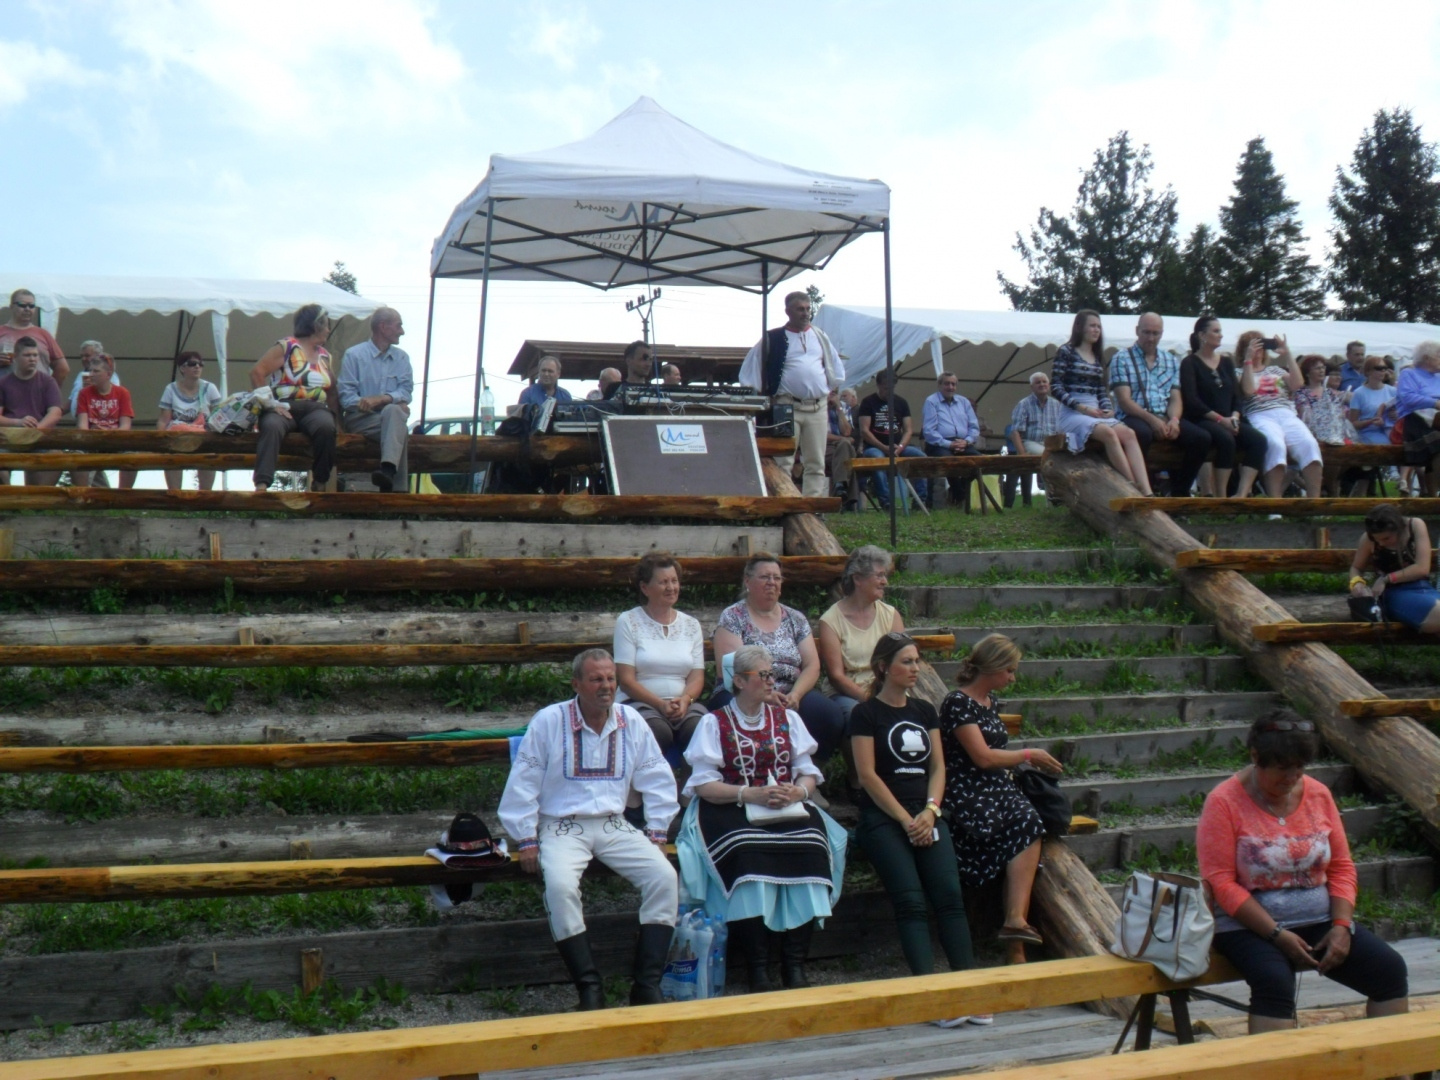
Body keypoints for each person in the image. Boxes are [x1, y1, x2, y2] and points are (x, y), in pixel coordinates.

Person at [1197, 710, 1409, 1035]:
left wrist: (1341, 926)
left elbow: (1341, 867)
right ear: (1256, 757)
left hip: (1319, 920)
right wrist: (1276, 934)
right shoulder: (1223, 802)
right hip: (1247, 926)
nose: (1292, 777)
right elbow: (1221, 882)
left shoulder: (1318, 794)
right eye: (1282, 768)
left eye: (1299, 768)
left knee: (1389, 970)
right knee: (1274, 981)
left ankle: (1392, 1060)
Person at [498, 648, 679, 1010]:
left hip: (614, 823)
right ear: (576, 684)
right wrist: (527, 838)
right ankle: (589, 989)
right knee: (561, 887)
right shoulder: (549, 720)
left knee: (664, 878)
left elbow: (656, 776)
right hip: (560, 826)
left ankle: (646, 986)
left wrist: (657, 831)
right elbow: (524, 781)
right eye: (596, 679)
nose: (606, 686)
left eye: (611, 678)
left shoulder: (631, 719)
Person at [678, 644, 846, 992]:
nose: (772, 681)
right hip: (729, 805)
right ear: (739, 681)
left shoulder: (788, 719)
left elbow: (807, 772)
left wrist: (798, 792)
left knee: (812, 846)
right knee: (746, 851)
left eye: (773, 674)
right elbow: (704, 785)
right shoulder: (714, 722)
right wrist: (748, 793)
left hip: (785, 805)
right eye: (763, 675)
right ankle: (758, 969)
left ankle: (794, 965)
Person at [852, 633, 981, 1024]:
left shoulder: (925, 711)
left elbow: (938, 767)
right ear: (883, 667)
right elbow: (867, 775)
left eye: (917, 660)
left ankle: (969, 993)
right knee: (910, 902)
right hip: (884, 817)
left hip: (925, 814)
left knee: (950, 897)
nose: (915, 668)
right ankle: (929, 999)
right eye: (906, 661)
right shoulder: (866, 714)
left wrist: (930, 811)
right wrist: (906, 820)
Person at [939, 634, 1063, 945]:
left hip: (994, 783)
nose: (1012, 678)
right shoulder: (957, 703)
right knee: (998, 826)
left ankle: (1015, 920)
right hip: (966, 785)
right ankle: (1009, 925)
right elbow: (982, 757)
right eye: (1009, 670)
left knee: (1030, 821)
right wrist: (1028, 755)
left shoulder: (990, 702)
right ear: (992, 667)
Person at [711, 553, 846, 767]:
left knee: (829, 715)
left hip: (791, 690)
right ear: (748, 581)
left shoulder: (795, 618)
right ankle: (747, 772)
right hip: (743, 689)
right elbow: (733, 667)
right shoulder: (733, 616)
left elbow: (812, 665)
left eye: (776, 577)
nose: (772, 582)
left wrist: (796, 694)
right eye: (765, 577)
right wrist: (767, 694)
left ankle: (807, 771)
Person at [739, 291, 845, 499]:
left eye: (807, 308)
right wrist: (762, 395)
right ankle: (784, 502)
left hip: (818, 406)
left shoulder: (820, 336)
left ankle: (813, 508)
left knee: (816, 461)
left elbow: (833, 365)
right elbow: (752, 367)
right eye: (800, 309)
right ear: (788, 311)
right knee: (784, 460)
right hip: (787, 406)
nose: (805, 313)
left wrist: (831, 388)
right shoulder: (772, 338)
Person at [613, 552, 708, 761]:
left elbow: (696, 677)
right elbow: (626, 681)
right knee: (657, 730)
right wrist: (660, 704)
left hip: (682, 705)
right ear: (645, 588)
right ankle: (648, 780)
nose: (671, 587)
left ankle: (693, 782)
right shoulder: (628, 621)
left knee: (701, 727)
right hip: (639, 703)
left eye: (674, 581)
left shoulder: (691, 625)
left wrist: (685, 700)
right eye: (663, 582)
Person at [1051, 310, 1153, 495]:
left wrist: (1107, 409)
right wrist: (1082, 408)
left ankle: (1147, 490)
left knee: (1129, 434)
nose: (1096, 330)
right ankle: (1132, 486)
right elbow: (1056, 387)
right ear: (1080, 327)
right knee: (1108, 433)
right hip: (1073, 412)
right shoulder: (1066, 351)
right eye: (1092, 326)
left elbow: (1101, 389)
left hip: (1095, 411)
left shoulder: (1097, 355)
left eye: (1098, 326)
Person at [1110, 313, 1210, 497]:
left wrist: (1174, 420)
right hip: (1134, 415)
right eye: (1146, 332)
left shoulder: (1170, 360)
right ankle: (1141, 489)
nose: (1151, 338)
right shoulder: (1122, 358)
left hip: (1164, 415)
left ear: (1161, 334)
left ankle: (1179, 492)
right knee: (1143, 433)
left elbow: (1175, 398)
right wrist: (1152, 420)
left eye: (1155, 333)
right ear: (1137, 331)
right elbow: (1124, 401)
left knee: (1201, 438)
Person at [249, 303, 337, 493]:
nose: (328, 330)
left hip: (315, 408)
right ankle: (262, 484)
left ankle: (320, 482)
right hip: (283, 406)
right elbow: (257, 372)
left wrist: (336, 418)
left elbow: (332, 390)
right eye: (326, 325)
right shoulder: (286, 346)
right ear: (315, 325)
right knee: (271, 425)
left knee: (326, 427)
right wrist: (270, 404)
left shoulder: (325, 356)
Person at [1180, 315, 1267, 498]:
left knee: (1259, 440)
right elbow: (1192, 401)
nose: (1220, 335)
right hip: (1203, 418)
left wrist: (1234, 417)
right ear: (1202, 335)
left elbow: (1237, 396)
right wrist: (1221, 420)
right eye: (1216, 331)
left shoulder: (1226, 361)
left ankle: (1241, 494)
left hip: (1230, 418)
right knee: (1226, 440)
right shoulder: (1189, 363)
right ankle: (1221, 496)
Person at [818, 545, 904, 726]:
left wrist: (890, 695)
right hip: (848, 694)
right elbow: (836, 676)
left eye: (885, 575)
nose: (885, 582)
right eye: (879, 575)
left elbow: (902, 660)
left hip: (887, 690)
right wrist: (872, 700)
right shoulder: (830, 621)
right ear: (857, 578)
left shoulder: (891, 615)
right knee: (860, 717)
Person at [1238, 331, 1321, 499]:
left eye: (1260, 344)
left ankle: (1315, 502)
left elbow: (1297, 384)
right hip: (1259, 414)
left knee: (1309, 444)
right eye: (1252, 345)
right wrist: (1248, 360)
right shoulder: (1239, 372)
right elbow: (1248, 390)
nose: (1257, 349)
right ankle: (1275, 503)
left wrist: (1287, 353)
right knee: (1275, 445)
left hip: (1285, 412)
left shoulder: (1275, 369)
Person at [338, 307, 412, 493]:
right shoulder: (354, 355)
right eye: (398, 326)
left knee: (393, 413)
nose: (402, 331)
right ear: (383, 327)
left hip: (390, 418)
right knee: (398, 423)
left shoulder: (402, 358)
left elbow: (406, 391)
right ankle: (397, 490)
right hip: (361, 418)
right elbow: (346, 397)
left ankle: (387, 471)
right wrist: (365, 403)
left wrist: (381, 399)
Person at [1348, 503, 1440, 632]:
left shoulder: (1415, 526)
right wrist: (1357, 582)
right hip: (1392, 592)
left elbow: (1422, 568)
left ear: (1398, 528)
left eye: (1386, 538)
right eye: (1377, 539)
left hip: (1422, 587)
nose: (1381, 543)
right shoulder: (1367, 539)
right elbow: (1356, 567)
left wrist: (1386, 578)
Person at [857, 369, 929, 509]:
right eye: (886, 388)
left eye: (892, 388)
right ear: (878, 385)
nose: (889, 392)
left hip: (897, 447)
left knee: (920, 457)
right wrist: (884, 448)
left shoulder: (901, 402)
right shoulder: (868, 402)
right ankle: (886, 501)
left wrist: (900, 447)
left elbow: (908, 430)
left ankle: (920, 500)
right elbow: (864, 431)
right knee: (878, 459)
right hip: (875, 447)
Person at [0, 338, 63, 485]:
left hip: (39, 437)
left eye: (35, 355)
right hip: (10, 437)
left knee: (58, 457)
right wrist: (18, 422)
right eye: (27, 355)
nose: (33, 359)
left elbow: (55, 412)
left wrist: (37, 430)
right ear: (15, 357)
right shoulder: (3, 383)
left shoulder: (48, 381)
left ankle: (38, 496)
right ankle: (10, 495)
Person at [157, 352, 223, 491]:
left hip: (203, 439)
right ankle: (175, 495)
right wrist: (160, 442)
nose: (197, 367)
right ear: (182, 368)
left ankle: (205, 495)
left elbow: (220, 415)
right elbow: (164, 420)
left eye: (200, 364)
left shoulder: (210, 388)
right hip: (177, 439)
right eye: (193, 364)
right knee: (171, 456)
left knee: (209, 455)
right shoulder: (171, 389)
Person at [73, 353, 136, 489]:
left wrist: (109, 433)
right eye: (90, 371)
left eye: (96, 371)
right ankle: (82, 494)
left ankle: (124, 494)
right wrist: (95, 434)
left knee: (132, 456)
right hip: (91, 440)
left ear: (108, 374)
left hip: (115, 440)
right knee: (76, 455)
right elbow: (82, 426)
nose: (91, 374)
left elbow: (126, 426)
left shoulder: (122, 393)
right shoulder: (84, 393)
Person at [921, 372, 983, 509]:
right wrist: (949, 444)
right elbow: (929, 431)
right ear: (939, 385)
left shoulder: (964, 402)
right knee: (949, 462)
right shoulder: (931, 401)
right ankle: (960, 495)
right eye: (947, 384)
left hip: (963, 442)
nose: (950, 387)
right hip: (939, 444)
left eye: (953, 384)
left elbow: (974, 427)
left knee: (981, 462)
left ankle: (959, 490)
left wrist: (966, 441)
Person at [1395, 340, 1440, 495]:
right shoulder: (1409, 374)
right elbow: (1408, 398)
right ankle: (1434, 496)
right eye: (1439, 355)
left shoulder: (1438, 377)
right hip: (1413, 421)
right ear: (1427, 358)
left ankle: (1433, 495)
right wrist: (1435, 403)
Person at [0, 288, 68, 384]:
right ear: (11, 306)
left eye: (31, 306)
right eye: (22, 305)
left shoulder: (43, 334)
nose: (27, 309)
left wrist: (50, 389)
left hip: (37, 391)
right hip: (6, 391)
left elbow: (63, 368)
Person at [1009, 372, 1063, 455]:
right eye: (1038, 382)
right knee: (1046, 455)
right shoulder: (1024, 404)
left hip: (1052, 444)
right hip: (1031, 443)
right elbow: (1015, 433)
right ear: (1032, 387)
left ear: (1049, 385)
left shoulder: (1056, 405)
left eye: (1044, 382)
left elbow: (1062, 429)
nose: (1042, 384)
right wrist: (1023, 455)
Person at [68, 340, 122, 418]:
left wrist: (90, 389)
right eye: (81, 356)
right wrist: (58, 411)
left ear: (98, 356)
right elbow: (72, 399)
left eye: (87, 356)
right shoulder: (81, 375)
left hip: (99, 420)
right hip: (80, 420)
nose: (83, 359)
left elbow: (111, 400)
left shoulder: (108, 375)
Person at [825, 389, 855, 500]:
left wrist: (839, 408)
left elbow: (846, 431)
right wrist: (843, 439)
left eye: (834, 391)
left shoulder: (844, 406)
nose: (832, 393)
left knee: (844, 449)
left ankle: (840, 487)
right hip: (824, 446)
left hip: (841, 446)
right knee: (847, 459)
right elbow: (822, 435)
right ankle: (848, 500)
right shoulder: (818, 406)